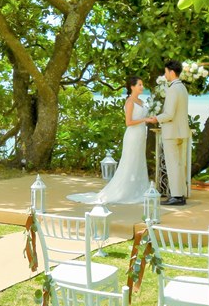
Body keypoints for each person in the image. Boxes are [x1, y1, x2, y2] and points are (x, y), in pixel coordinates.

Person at [68, 76, 150, 205]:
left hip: (141, 134)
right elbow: (128, 122)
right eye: (140, 85)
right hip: (133, 135)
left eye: (142, 84)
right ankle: (125, 191)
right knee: (130, 161)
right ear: (132, 87)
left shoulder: (141, 101)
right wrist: (145, 120)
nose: (142, 87)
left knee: (139, 161)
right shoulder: (130, 102)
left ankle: (139, 189)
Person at [147, 60, 189, 206]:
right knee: (178, 164)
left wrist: (156, 118)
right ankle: (180, 194)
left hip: (171, 132)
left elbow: (169, 114)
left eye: (165, 72)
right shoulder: (182, 88)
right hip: (180, 131)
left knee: (173, 164)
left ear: (171, 72)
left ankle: (176, 196)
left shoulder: (173, 89)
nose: (165, 75)